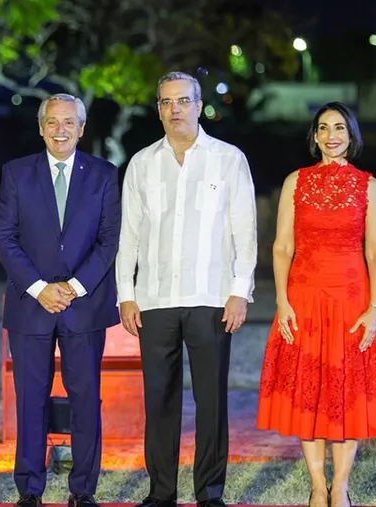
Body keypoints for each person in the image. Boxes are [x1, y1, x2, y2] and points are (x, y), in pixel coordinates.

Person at [115, 71, 258, 507]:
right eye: (165, 102)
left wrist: (240, 290)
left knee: (211, 402)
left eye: (183, 100)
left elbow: (244, 231)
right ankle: (161, 494)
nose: (174, 109)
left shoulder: (228, 159)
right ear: (157, 109)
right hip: (155, 299)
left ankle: (209, 494)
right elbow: (130, 235)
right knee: (158, 401)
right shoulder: (142, 163)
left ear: (199, 105)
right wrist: (126, 292)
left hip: (212, 298)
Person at [256, 102, 376, 507]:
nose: (331, 135)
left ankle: (340, 487)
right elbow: (282, 246)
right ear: (315, 136)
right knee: (309, 391)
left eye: (339, 128)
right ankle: (318, 486)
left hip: (352, 301)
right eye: (323, 128)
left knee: (346, 393)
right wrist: (282, 301)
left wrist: (375, 307)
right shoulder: (295, 182)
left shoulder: (368, 185)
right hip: (303, 299)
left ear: (351, 136)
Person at [0, 93, 122, 507]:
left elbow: (108, 240)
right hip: (31, 305)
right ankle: (29, 489)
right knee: (31, 399)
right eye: (52, 122)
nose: (60, 129)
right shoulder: (16, 173)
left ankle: (83, 489)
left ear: (82, 129)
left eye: (69, 122)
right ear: (41, 127)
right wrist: (39, 288)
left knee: (86, 399)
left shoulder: (104, 174)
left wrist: (73, 287)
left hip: (84, 306)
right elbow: (5, 238)